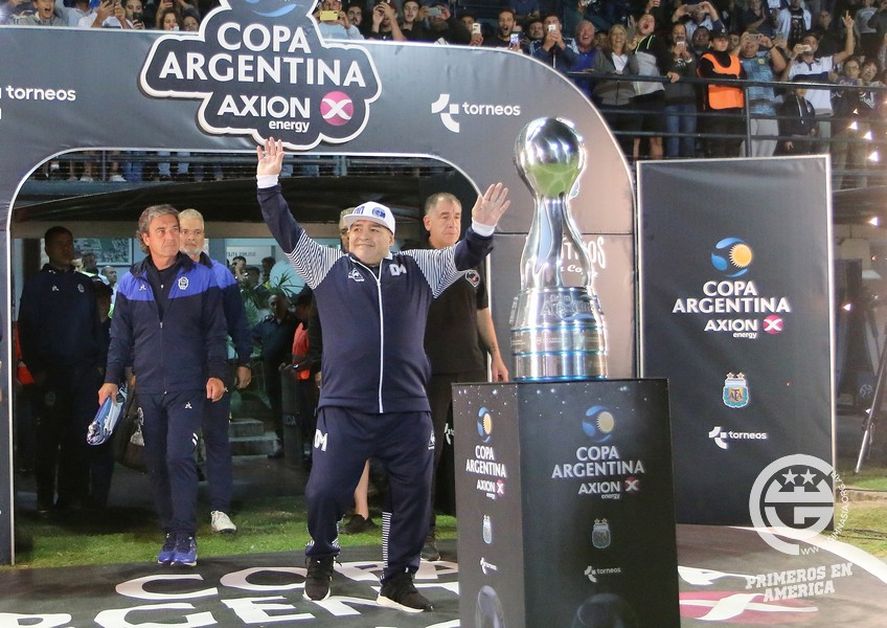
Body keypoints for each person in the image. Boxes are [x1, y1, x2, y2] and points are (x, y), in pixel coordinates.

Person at [256, 137, 511, 612]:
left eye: (374, 228)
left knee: (414, 493)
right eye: (355, 228)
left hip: (407, 407)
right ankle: (321, 557)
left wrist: (482, 225)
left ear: (391, 237)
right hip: (344, 406)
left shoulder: (418, 268)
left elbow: (467, 254)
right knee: (325, 490)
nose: (362, 235)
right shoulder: (327, 266)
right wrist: (268, 180)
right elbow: (285, 229)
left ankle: (397, 578)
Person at [98, 204, 227, 567]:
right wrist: (110, 379)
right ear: (145, 239)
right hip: (149, 388)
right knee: (155, 463)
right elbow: (118, 338)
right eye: (162, 231)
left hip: (189, 386)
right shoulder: (128, 282)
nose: (172, 237)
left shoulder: (202, 277)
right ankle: (170, 531)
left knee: (178, 457)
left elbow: (216, 332)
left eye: (175, 229)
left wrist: (218, 373)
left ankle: (185, 534)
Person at [418, 192, 510, 562]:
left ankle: (479, 529)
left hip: (471, 371)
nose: (452, 222)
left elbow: (482, 313)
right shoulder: (417, 260)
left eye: (457, 216)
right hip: (429, 373)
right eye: (444, 216)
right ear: (427, 222)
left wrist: (496, 355)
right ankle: (424, 533)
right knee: (428, 454)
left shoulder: (472, 264)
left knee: (477, 454)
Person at [18, 226, 104, 515]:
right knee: (49, 438)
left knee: (79, 438)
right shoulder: (37, 285)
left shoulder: (84, 284)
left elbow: (95, 325)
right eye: (60, 244)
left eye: (69, 243)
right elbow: (27, 330)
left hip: (83, 374)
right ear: (48, 248)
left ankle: (73, 496)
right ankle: (45, 498)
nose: (66, 249)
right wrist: (37, 369)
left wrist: (98, 364)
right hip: (52, 374)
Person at [179, 208, 253, 534]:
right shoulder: (161, 273)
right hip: (175, 370)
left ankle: (220, 509)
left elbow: (238, 321)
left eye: (198, 232)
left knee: (217, 440)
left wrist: (245, 360)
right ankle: (178, 512)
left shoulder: (221, 275)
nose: (192, 237)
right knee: (176, 443)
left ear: (204, 235)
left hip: (216, 368)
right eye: (186, 231)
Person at [785, 14, 856, 153]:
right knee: (804, 153)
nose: (810, 44)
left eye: (813, 42)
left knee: (823, 153)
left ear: (817, 46)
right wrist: (792, 56)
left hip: (823, 114)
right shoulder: (794, 66)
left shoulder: (824, 63)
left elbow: (849, 51)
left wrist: (849, 29)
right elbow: (781, 82)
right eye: (807, 41)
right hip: (803, 116)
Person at [252, 292, 298, 458]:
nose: (276, 306)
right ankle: (283, 444)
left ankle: (298, 445)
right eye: (272, 304)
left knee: (295, 408)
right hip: (271, 371)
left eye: (278, 303)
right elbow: (253, 336)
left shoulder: (294, 322)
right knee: (276, 408)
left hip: (290, 372)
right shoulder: (267, 323)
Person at [697, 28, 746, 157]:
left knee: (734, 143)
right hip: (716, 109)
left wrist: (722, 78)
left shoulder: (734, 59)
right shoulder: (706, 58)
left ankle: (733, 175)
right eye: (719, 40)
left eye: (725, 40)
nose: (723, 42)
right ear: (712, 42)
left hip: (735, 108)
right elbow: (710, 76)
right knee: (718, 144)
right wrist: (734, 78)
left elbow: (745, 79)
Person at [738, 30, 787, 157]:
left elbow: (781, 66)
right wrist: (739, 45)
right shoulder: (735, 59)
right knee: (747, 151)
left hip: (768, 112)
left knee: (766, 151)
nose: (749, 43)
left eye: (753, 38)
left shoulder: (764, 57)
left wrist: (770, 45)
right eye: (746, 39)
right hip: (747, 112)